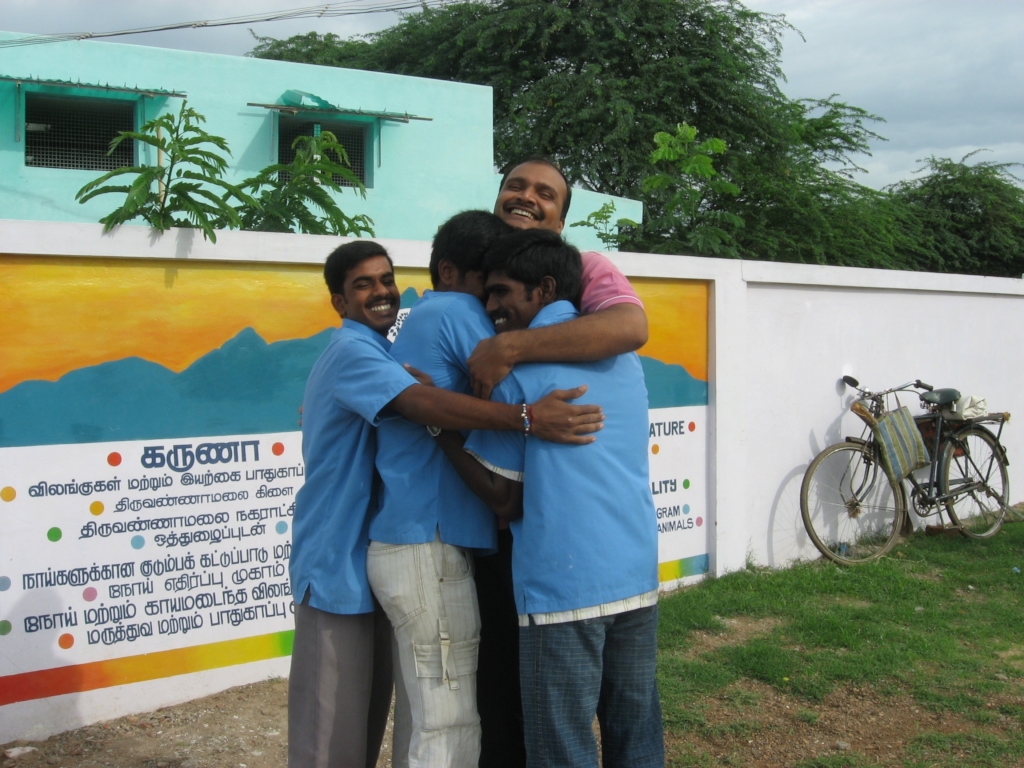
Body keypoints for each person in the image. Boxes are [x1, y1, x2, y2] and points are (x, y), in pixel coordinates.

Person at [288, 240, 604, 768]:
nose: (382, 292)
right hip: (334, 559)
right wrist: (527, 417)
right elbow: (420, 403)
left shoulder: (383, 350)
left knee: (391, 720)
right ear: (339, 303)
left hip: (366, 554)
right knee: (335, 736)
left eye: (386, 279)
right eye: (363, 284)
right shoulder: (353, 351)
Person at [437, 228, 664, 768]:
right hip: (636, 576)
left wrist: (439, 428)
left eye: (501, 292)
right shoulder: (623, 358)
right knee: (636, 736)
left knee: (562, 748)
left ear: (542, 288)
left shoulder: (516, 373)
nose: (490, 307)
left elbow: (504, 499)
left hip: (563, 591)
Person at [368, 212, 515, 768]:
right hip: (430, 545)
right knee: (449, 723)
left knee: (427, 716)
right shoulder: (456, 311)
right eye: (490, 285)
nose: (496, 304)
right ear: (450, 272)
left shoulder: (421, 316)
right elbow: (515, 391)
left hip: (411, 538)